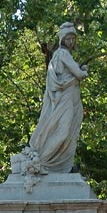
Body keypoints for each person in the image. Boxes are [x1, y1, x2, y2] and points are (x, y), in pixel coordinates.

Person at [26, 22, 88, 174]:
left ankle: (59, 166)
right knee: (63, 132)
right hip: (64, 98)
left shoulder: (63, 55)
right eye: (68, 38)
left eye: (73, 38)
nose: (71, 41)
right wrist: (84, 71)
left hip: (69, 98)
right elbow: (78, 74)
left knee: (66, 132)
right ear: (62, 39)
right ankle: (42, 162)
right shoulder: (62, 54)